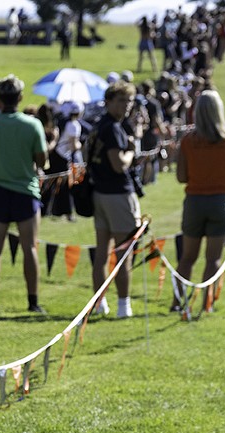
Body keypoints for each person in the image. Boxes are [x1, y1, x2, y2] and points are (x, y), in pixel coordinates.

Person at [0, 75, 46, 315]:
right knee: (29, 248)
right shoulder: (32, 124)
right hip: (25, 191)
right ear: (20, 98)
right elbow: (42, 159)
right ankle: (33, 302)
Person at [174, 91, 225, 312]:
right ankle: (206, 304)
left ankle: (177, 302)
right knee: (213, 259)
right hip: (220, 203)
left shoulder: (187, 141)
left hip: (194, 201)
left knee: (187, 258)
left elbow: (181, 177)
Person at [88, 81, 141, 318]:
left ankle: (100, 303)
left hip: (99, 192)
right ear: (108, 101)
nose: (126, 106)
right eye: (121, 100)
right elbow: (119, 164)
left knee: (102, 252)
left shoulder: (101, 125)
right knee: (122, 253)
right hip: (117, 194)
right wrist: (131, 150)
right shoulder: (112, 128)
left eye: (129, 101)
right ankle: (123, 305)